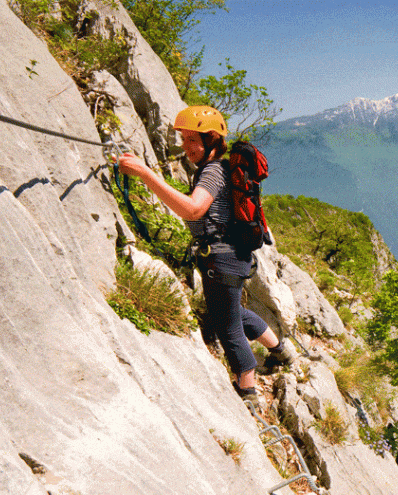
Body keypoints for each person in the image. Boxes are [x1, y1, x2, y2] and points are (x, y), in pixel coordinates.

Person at [117, 105, 293, 401]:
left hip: (221, 260)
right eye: (184, 139)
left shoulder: (211, 171)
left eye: (192, 140)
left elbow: (194, 208)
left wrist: (143, 173)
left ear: (211, 140)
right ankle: (281, 351)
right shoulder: (221, 168)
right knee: (233, 311)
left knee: (227, 326)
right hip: (234, 256)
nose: (186, 147)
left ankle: (247, 390)